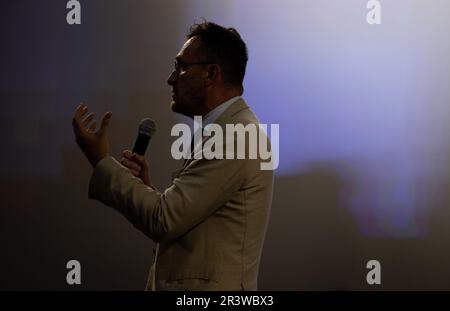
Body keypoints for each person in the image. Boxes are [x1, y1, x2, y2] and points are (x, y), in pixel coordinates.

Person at [72, 21, 274, 290]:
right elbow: (180, 225)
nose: (171, 78)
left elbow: (163, 220)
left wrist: (100, 160)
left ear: (211, 73)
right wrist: (145, 189)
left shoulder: (237, 136)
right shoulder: (225, 130)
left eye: (181, 67)